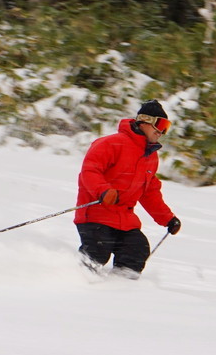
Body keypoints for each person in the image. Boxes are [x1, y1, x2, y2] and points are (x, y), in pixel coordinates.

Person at [75, 100, 182, 278]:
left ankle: (121, 289)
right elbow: (90, 170)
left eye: (167, 127)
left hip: (125, 220)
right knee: (98, 251)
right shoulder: (111, 143)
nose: (161, 131)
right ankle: (76, 279)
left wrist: (168, 219)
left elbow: (150, 193)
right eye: (160, 124)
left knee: (137, 249)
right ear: (144, 121)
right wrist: (103, 191)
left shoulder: (151, 157)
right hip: (96, 215)